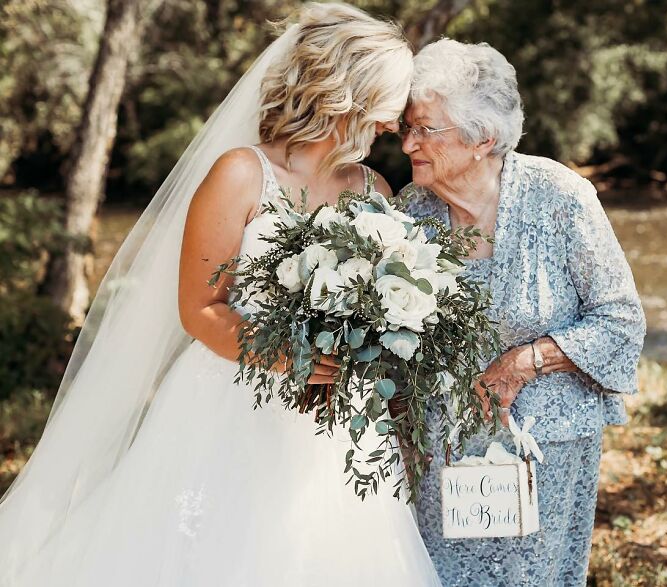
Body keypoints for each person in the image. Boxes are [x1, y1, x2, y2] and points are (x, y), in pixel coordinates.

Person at [0, 4, 442, 585]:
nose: (395, 125)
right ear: (349, 92)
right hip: (235, 406)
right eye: (392, 102)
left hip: (342, 422)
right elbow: (199, 309)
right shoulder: (240, 174)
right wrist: (289, 357)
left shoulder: (373, 189)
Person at [400, 39, 646, 586]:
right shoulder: (409, 212)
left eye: (426, 129)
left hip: (548, 446)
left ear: (483, 138)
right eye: (407, 128)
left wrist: (524, 361)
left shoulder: (560, 196)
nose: (409, 144)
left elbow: (620, 321)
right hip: (441, 449)